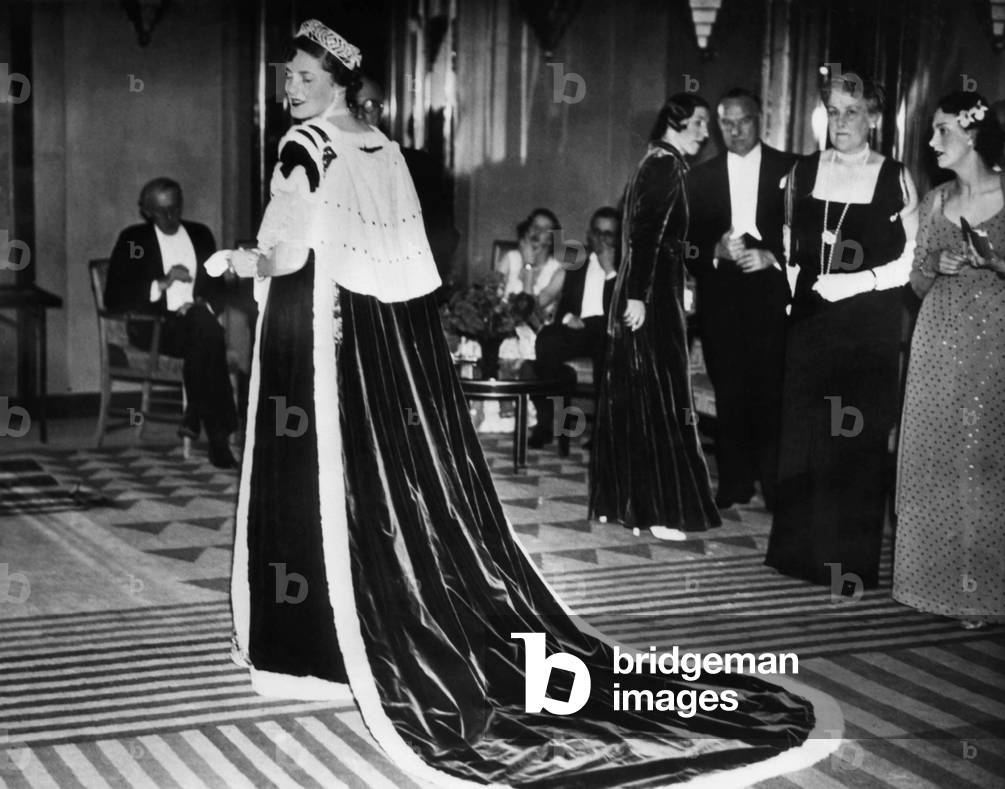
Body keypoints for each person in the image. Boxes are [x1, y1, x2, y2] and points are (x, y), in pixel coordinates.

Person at [225, 20, 837, 787]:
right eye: (288, 76)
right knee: (364, 486)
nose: (290, 88)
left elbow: (284, 254)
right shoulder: (381, 147)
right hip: (379, 352)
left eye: (303, 79)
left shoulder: (305, 148)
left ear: (337, 84)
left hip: (313, 340)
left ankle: (308, 644)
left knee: (311, 483)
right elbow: (407, 267)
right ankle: (348, 627)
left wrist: (232, 257)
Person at [765, 72, 919, 589]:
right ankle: (797, 555)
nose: (841, 122)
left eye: (852, 112)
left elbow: (911, 260)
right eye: (833, 112)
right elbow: (787, 239)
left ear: (873, 117)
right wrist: (794, 291)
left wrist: (854, 284)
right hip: (810, 322)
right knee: (805, 436)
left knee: (850, 438)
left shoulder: (894, 175)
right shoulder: (803, 170)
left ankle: (845, 560)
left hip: (867, 326)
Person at [894, 91, 1005, 629]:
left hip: (997, 345)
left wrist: (997, 262)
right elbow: (915, 284)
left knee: (988, 463)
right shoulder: (937, 200)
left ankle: (986, 587)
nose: (932, 141)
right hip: (937, 345)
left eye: (943, 131)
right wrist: (937, 261)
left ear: (974, 136)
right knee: (938, 460)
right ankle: (937, 582)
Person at [589, 94, 722, 542]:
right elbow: (645, 236)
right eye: (699, 122)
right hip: (652, 298)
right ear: (676, 122)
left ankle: (623, 502)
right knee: (663, 399)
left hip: (654, 291)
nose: (705, 133)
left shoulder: (659, 161)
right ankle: (660, 511)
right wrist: (640, 296)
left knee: (638, 393)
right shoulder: (665, 165)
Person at [687, 89, 797, 511]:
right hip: (722, 299)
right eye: (726, 123)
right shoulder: (700, 177)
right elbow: (684, 245)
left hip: (773, 297)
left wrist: (772, 256)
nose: (734, 131)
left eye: (743, 121)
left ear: (759, 119)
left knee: (771, 394)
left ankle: (774, 485)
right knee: (729, 392)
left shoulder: (792, 170)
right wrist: (713, 251)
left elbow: (810, 239)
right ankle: (734, 484)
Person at [104, 178, 238, 468]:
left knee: (202, 326)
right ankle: (217, 433)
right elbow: (114, 296)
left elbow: (217, 289)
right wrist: (162, 283)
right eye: (162, 211)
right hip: (156, 328)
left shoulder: (201, 235)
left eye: (175, 208)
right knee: (209, 335)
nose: (170, 217)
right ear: (147, 211)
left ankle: (198, 419)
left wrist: (205, 305)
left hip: (197, 325)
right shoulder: (133, 240)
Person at [353, 76, 460, 287]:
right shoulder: (328, 164)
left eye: (368, 105)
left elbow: (444, 236)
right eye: (351, 106)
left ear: (381, 111)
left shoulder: (419, 166)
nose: (359, 115)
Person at [528, 206, 620, 449]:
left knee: (608, 350)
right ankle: (545, 424)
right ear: (589, 234)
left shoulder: (625, 267)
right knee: (547, 338)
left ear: (618, 237)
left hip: (609, 331)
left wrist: (611, 271)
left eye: (609, 234)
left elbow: (622, 310)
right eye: (597, 233)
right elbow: (564, 304)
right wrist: (568, 316)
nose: (602, 239)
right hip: (580, 327)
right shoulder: (576, 263)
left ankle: (603, 432)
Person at [495, 208, 566, 324]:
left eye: (544, 230)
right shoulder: (510, 258)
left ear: (551, 240)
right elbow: (492, 298)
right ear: (527, 231)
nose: (537, 232)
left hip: (535, 334)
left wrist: (528, 265)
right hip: (502, 327)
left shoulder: (559, 272)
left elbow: (530, 313)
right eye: (534, 226)